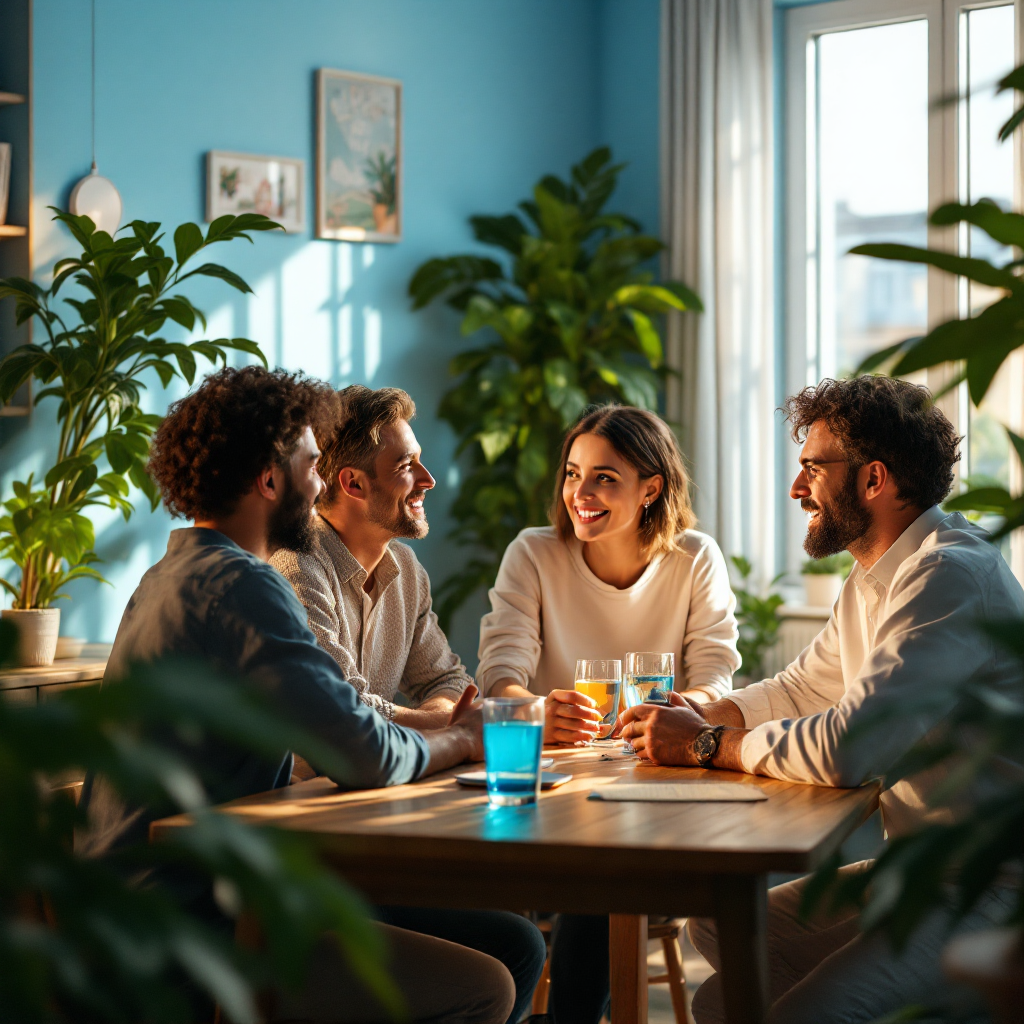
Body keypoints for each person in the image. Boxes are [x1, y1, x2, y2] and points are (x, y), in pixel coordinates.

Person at [77, 366, 518, 1024]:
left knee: (510, 939)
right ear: (269, 479)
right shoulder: (244, 587)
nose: (318, 490)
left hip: (155, 902)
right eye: (313, 467)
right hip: (192, 925)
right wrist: (461, 737)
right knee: (486, 984)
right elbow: (360, 749)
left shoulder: (173, 573)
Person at [618, 376, 1024, 1024]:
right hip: (918, 867)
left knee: (788, 1005)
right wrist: (704, 715)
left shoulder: (948, 576)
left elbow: (849, 750)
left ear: (874, 480)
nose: (795, 488)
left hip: (989, 890)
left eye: (811, 467)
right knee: (720, 939)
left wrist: (702, 745)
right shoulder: (878, 575)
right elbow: (804, 687)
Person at [270, 384, 545, 1023]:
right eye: (406, 467)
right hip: (306, 856)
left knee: (520, 941)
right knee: (501, 954)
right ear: (353, 484)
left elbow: (447, 678)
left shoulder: (407, 571)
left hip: (368, 827)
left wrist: (444, 715)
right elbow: (346, 707)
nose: (427, 478)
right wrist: (451, 725)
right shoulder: (294, 569)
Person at [476, 403, 741, 1024]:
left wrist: (677, 717)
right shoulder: (534, 554)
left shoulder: (694, 559)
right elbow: (499, 674)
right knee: (596, 865)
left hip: (656, 785)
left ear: (652, 488)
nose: (581, 494)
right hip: (548, 792)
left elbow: (715, 678)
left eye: (604, 478)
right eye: (572, 474)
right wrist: (538, 708)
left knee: (607, 864)